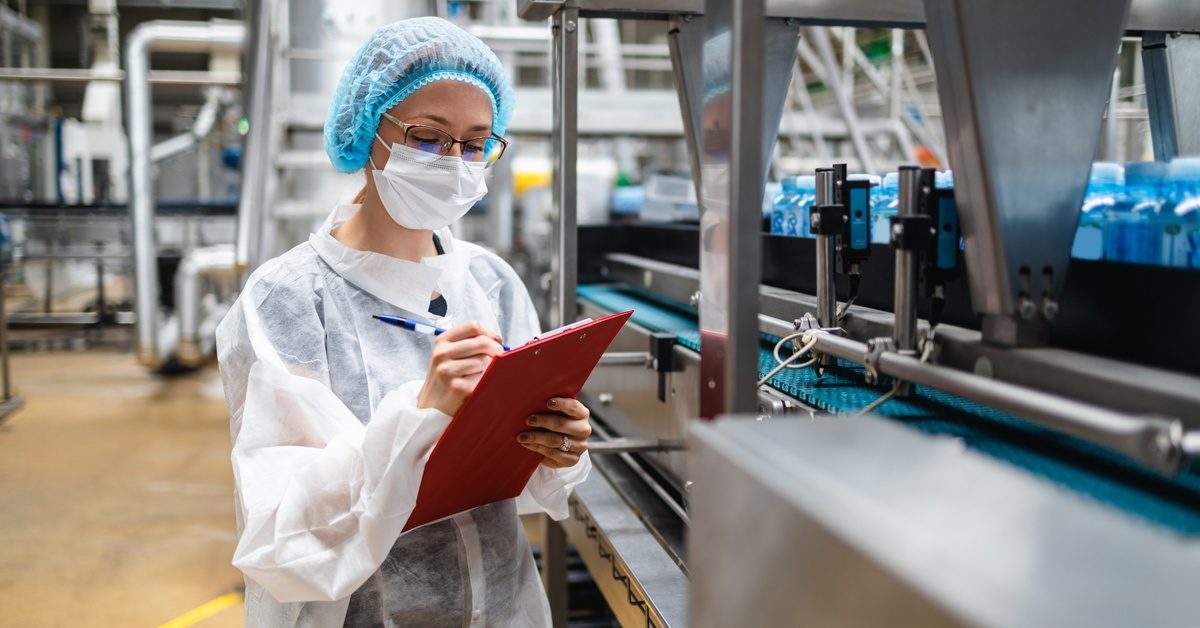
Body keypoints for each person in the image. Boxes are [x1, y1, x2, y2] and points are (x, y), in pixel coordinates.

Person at [216, 17, 592, 627]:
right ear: (367, 130)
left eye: (476, 145)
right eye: (428, 137)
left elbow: (517, 483)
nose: (455, 162)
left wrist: (557, 448)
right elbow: (281, 530)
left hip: (503, 609)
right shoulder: (287, 299)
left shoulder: (489, 281)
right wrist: (421, 413)